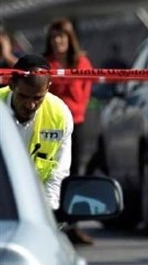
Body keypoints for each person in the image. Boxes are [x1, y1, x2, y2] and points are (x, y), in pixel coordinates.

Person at [44, 18, 94, 246]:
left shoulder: (81, 62)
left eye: (61, 37)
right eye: (53, 37)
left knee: (74, 173)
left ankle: (72, 223)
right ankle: (50, 220)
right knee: (50, 172)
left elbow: (82, 96)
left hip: (75, 123)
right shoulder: (46, 64)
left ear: (69, 39)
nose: (57, 41)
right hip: (50, 126)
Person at [1, 54, 73, 209]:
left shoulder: (60, 116)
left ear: (48, 87)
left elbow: (58, 174)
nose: (31, 105)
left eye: (38, 98)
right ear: (12, 84)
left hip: (35, 208)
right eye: (24, 96)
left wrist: (50, 213)